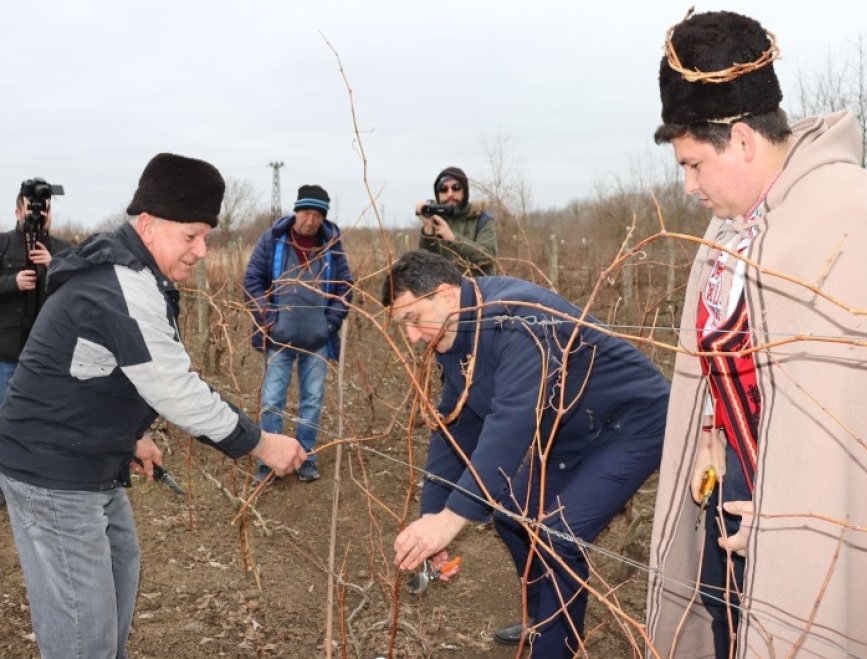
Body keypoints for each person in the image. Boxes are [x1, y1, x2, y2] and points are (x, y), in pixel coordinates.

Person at [0, 153, 308, 659]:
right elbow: (173, 387)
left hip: (87, 456)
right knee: (83, 628)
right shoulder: (118, 284)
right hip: (51, 468)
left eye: (206, 236)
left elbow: (100, 368)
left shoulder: (133, 272)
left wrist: (131, 438)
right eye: (191, 236)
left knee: (120, 575)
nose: (202, 250)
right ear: (147, 224)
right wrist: (261, 443)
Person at [645, 10, 867, 657]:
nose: (687, 185)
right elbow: (728, 359)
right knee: (726, 627)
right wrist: (713, 438)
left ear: (741, 140)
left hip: (818, 511)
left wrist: (789, 518)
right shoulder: (730, 229)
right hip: (736, 483)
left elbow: (845, 423)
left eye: (692, 164)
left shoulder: (848, 217)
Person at [384, 250, 668, 657]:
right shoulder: (455, 333)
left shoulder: (514, 319)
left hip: (633, 423)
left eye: (412, 320)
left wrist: (452, 520)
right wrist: (433, 514)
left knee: (557, 536)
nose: (411, 338)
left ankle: (555, 647)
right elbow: (458, 426)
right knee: (510, 514)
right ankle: (544, 620)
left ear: (446, 295)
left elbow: (511, 421)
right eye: (401, 327)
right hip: (569, 430)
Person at [243, 184, 353, 483]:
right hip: (278, 339)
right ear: (296, 211)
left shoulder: (331, 245)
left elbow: (346, 286)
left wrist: (329, 324)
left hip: (316, 341)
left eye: (318, 214)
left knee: (312, 401)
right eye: (306, 212)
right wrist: (268, 317)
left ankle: (305, 457)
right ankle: (268, 461)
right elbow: (252, 279)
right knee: (271, 401)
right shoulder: (274, 240)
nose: (311, 220)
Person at [0, 179, 71, 399]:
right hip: (6, 356)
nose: (39, 213)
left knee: (42, 425)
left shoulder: (64, 250)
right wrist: (14, 282)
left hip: (48, 357)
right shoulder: (3, 244)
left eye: (45, 208)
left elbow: (77, 294)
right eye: (32, 206)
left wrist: (54, 266)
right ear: (18, 211)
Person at [415, 166, 497, 276]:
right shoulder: (434, 219)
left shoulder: (481, 219)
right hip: (445, 290)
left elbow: (488, 258)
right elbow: (426, 266)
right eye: (443, 189)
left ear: (465, 191)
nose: (450, 194)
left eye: (456, 187)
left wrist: (453, 238)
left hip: (478, 289)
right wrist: (428, 233)